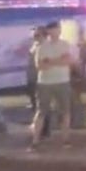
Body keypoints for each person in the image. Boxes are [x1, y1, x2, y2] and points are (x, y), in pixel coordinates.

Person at [31, 21, 75, 149]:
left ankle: (66, 139)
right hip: (45, 83)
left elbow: (69, 61)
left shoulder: (66, 45)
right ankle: (35, 140)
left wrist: (50, 61)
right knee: (41, 112)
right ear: (48, 32)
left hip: (63, 81)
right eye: (52, 30)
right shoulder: (41, 47)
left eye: (57, 29)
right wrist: (60, 60)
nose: (55, 32)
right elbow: (39, 66)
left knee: (65, 111)